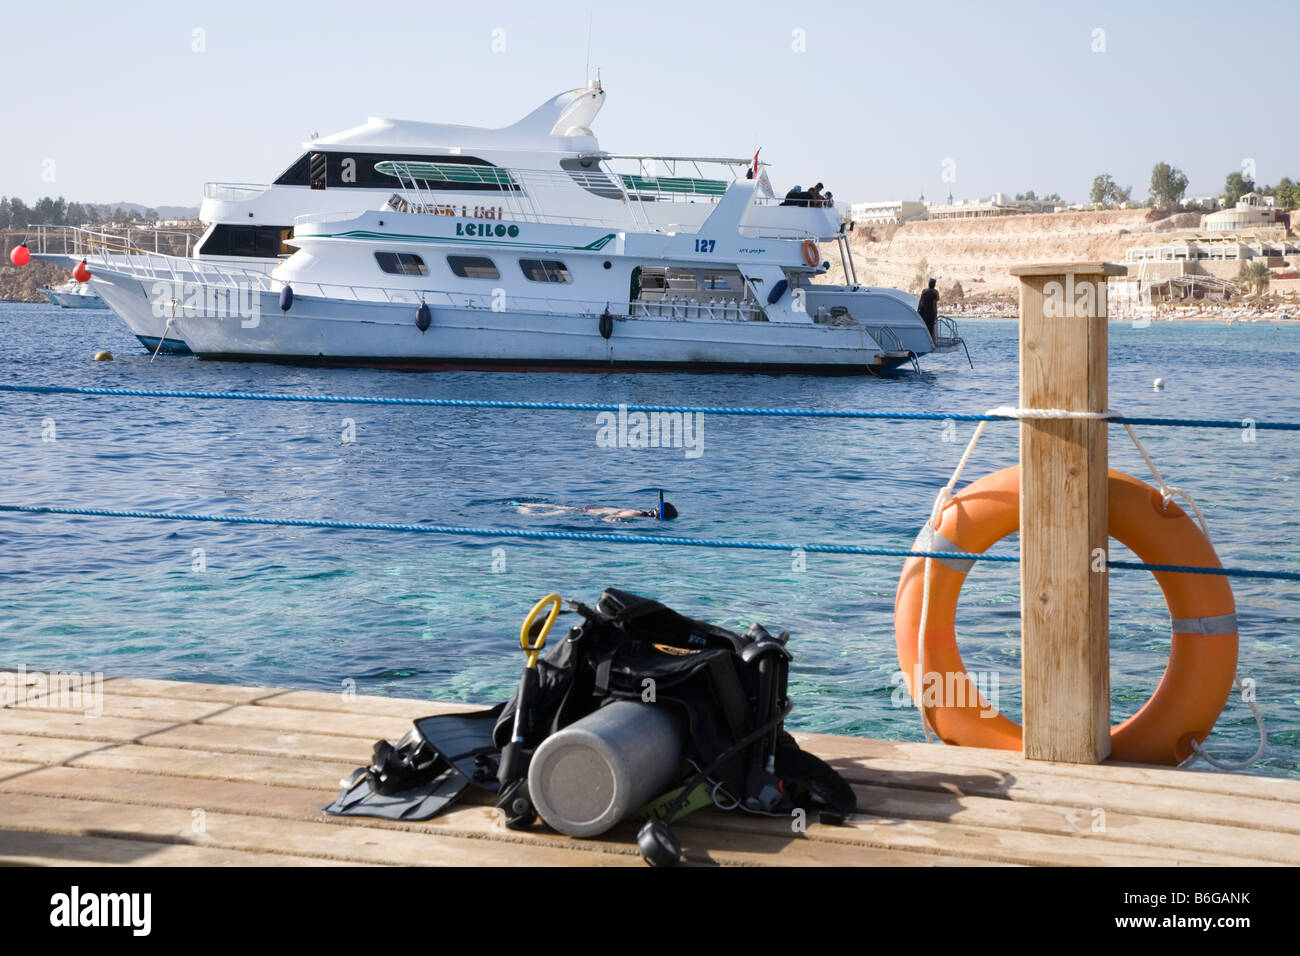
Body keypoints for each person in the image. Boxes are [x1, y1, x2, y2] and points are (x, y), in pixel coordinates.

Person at [516, 500, 678, 522]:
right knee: (557, 513)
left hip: (591, 508)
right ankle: (529, 512)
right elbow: (615, 516)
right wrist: (604, 521)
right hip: (590, 513)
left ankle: (525, 504)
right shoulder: (638, 514)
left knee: (561, 508)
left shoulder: (639, 511)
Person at [917, 277, 940, 342]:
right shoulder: (935, 292)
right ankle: (931, 342)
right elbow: (934, 305)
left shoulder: (924, 291)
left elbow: (920, 301)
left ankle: (924, 340)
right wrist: (935, 314)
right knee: (931, 329)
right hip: (930, 313)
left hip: (923, 312)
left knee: (926, 327)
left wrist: (918, 310)